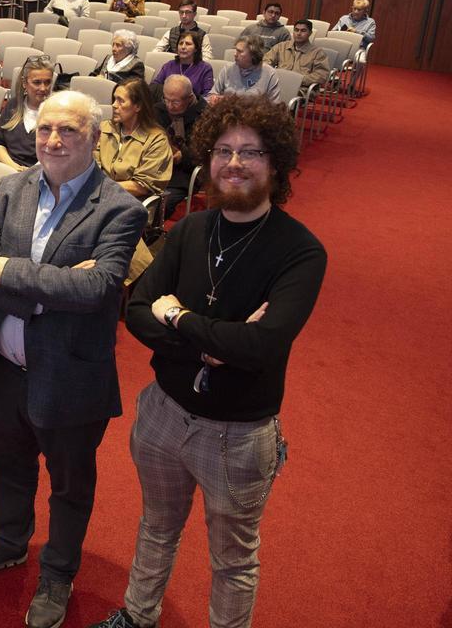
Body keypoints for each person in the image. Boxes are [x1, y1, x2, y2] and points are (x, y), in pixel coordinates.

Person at [88, 97, 326, 628]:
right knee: (156, 525)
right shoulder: (191, 230)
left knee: (234, 558)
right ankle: (138, 615)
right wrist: (214, 340)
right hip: (163, 412)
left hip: (238, 433)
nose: (234, 163)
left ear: (276, 164)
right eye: (223, 150)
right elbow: (137, 312)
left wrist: (179, 319)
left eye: (250, 152)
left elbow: (260, 348)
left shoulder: (301, 252)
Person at [0, 91, 146, 628]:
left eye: (69, 132)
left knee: (69, 486)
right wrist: (55, 288)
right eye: (45, 130)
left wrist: (9, 274)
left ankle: (58, 574)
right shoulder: (10, 187)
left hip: (71, 374)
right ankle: (8, 542)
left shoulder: (120, 209)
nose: (53, 141)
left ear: (96, 138)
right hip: (6, 365)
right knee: (7, 466)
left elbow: (101, 288)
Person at [96, 78, 172, 200]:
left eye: (121, 101)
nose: (114, 105)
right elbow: (91, 165)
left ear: (138, 106)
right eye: (114, 99)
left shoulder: (156, 139)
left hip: (132, 203)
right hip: (97, 197)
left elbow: (141, 186)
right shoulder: (104, 128)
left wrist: (101, 188)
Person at [154, 75, 206, 219]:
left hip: (182, 174)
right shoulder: (158, 110)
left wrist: (182, 157)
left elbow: (204, 156)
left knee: (162, 203)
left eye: (175, 102)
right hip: (153, 167)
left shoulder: (205, 116)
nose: (170, 106)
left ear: (189, 98)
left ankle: (150, 235)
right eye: (167, 100)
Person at [0, 54, 55, 171]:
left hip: (43, 172)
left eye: (47, 82)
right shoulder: (13, 105)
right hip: (8, 167)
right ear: (24, 83)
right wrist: (13, 167)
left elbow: (56, 153)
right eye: (37, 82)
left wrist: (28, 172)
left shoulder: (57, 112)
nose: (43, 88)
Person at [265, 19, 331, 96]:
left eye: (303, 31)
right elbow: (266, 61)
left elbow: (321, 75)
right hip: (279, 83)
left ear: (310, 33)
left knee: (282, 94)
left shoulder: (317, 53)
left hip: (302, 88)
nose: (299, 33)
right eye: (296, 30)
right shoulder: (281, 47)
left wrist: (298, 80)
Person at [211, 36, 282, 103]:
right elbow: (213, 93)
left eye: (240, 51)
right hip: (228, 112)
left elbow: (274, 106)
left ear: (253, 55)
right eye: (236, 50)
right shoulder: (227, 69)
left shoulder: (270, 74)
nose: (235, 54)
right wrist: (214, 98)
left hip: (256, 114)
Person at [151, 30, 214, 96]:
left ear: (196, 49)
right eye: (180, 43)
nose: (183, 47)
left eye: (188, 44)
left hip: (193, 105)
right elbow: (155, 86)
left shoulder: (205, 68)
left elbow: (208, 95)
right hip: (167, 102)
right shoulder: (169, 65)